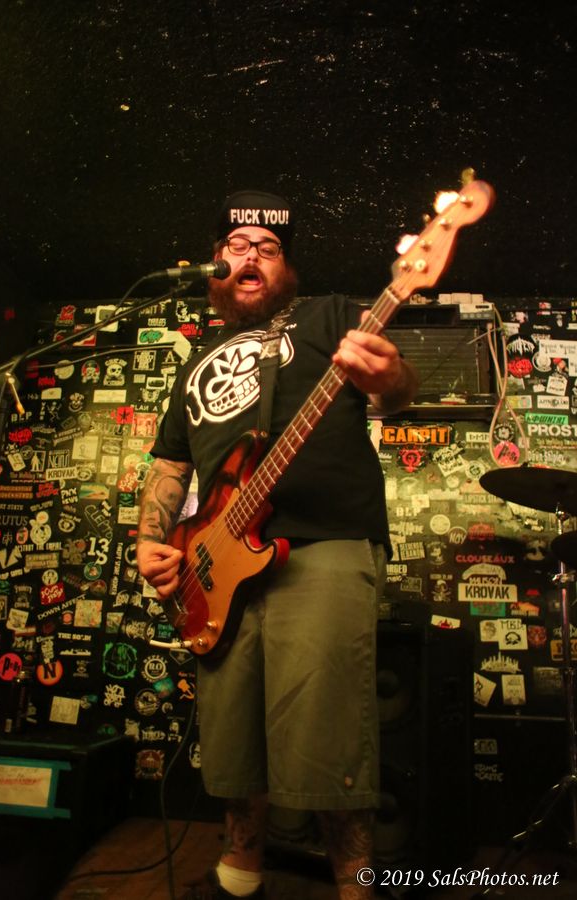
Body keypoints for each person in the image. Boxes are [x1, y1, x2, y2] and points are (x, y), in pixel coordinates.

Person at [136, 190, 418, 900]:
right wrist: (149, 540)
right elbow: (170, 464)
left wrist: (390, 381)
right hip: (215, 565)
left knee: (327, 736)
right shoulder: (196, 359)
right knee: (233, 736)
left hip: (322, 542)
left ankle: (355, 888)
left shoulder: (330, 315)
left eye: (268, 247)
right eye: (237, 246)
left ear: (285, 267)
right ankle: (241, 875)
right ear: (215, 264)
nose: (251, 256)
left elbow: (395, 394)